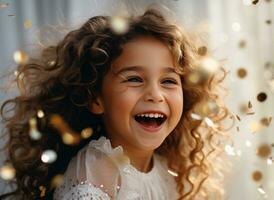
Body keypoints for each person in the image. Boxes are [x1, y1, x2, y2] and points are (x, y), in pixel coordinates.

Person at [0, 8, 230, 200]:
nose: (155, 95)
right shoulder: (96, 169)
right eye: (134, 79)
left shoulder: (164, 169)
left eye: (168, 81)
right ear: (95, 98)